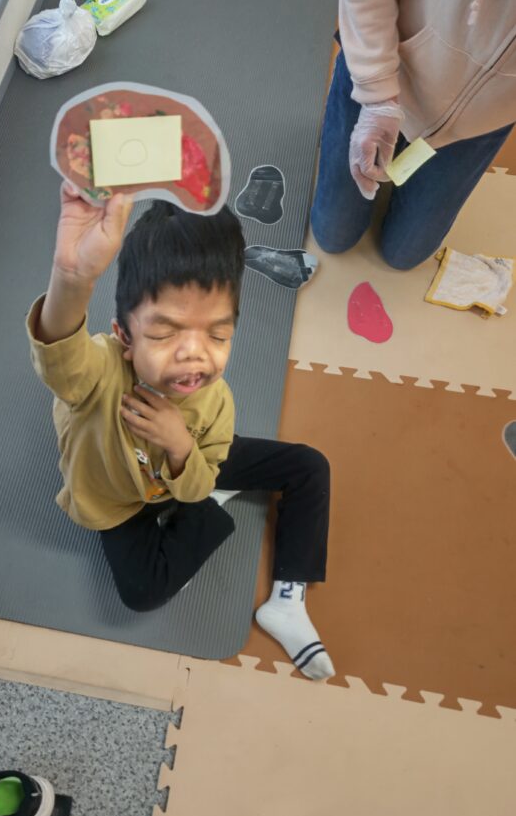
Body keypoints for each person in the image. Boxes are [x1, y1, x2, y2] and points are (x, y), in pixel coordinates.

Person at [26, 185, 333, 680]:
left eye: (218, 334)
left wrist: (180, 445)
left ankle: (287, 599)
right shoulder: (98, 373)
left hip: (182, 462)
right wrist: (72, 276)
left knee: (309, 465)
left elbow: (198, 482)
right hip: (119, 499)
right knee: (142, 593)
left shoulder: (215, 401)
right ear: (124, 337)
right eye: (165, 333)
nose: (195, 354)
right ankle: (209, 514)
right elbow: (59, 356)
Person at [311, 0, 516, 270]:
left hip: (481, 119)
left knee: (403, 256)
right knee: (332, 235)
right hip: (391, 56)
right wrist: (376, 93)